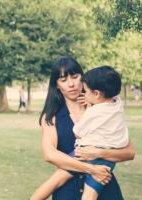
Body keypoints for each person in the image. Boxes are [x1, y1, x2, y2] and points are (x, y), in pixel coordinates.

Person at [30, 57, 135, 200]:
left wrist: (98, 153)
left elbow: (129, 153)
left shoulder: (105, 110)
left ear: (83, 78)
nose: (71, 84)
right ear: (57, 85)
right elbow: (50, 154)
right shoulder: (51, 117)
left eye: (75, 77)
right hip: (68, 191)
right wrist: (91, 169)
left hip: (103, 186)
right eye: (63, 80)